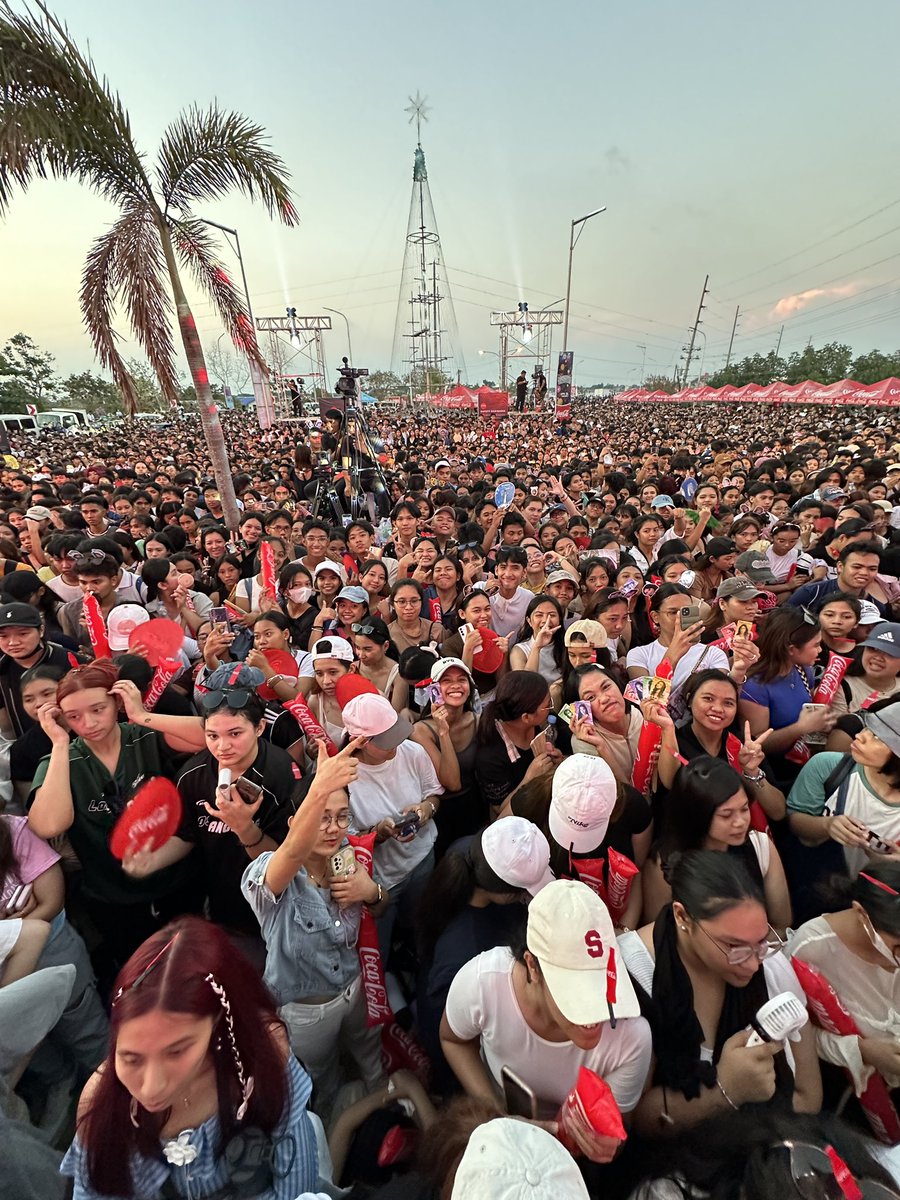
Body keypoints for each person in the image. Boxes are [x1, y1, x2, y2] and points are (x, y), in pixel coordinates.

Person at [61, 916, 319, 1199]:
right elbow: (96, 1190)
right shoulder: (102, 1102)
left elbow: (296, 1182)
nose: (152, 1087)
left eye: (177, 1051)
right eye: (131, 1058)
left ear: (218, 1020)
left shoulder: (260, 1056)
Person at [618, 851, 821, 1138]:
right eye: (733, 947)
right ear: (682, 917)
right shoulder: (632, 978)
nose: (753, 963)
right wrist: (726, 1090)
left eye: (762, 942)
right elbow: (633, 1121)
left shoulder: (771, 965)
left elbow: (809, 1095)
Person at [241, 739, 386, 1121]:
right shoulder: (273, 875)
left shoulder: (350, 856)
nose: (333, 828)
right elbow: (289, 853)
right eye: (322, 816)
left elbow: (377, 909)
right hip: (307, 1012)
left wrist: (371, 892)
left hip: (356, 988)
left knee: (369, 1049)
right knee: (320, 1076)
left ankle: (380, 1099)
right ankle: (335, 1126)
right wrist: (319, 787)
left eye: (341, 816)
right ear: (296, 822)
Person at [28, 660, 204, 970]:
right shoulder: (65, 760)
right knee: (138, 974)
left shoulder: (144, 735)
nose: (89, 723)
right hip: (113, 897)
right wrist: (58, 743)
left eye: (98, 709)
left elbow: (213, 738)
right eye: (74, 716)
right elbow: (49, 824)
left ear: (116, 702)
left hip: (178, 880)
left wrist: (141, 714)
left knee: (193, 965)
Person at [440, 879, 652, 1128]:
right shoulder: (481, 983)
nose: (595, 1010)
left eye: (602, 978)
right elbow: (453, 1040)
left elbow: (615, 1136)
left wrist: (582, 1141)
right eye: (575, 988)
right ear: (532, 966)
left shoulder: (633, 1039)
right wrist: (498, 1118)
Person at [415, 818, 551, 1086]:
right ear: (501, 891)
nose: (528, 897)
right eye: (524, 892)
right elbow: (448, 1028)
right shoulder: (466, 952)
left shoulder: (467, 853)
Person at [787, 862, 900, 1129]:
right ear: (861, 914)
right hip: (859, 1102)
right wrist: (862, 1050)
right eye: (898, 947)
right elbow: (796, 1039)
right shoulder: (811, 949)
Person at [340, 693, 443, 954]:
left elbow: (433, 793)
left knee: (418, 925)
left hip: (421, 862)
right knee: (379, 946)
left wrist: (426, 809)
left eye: (396, 734)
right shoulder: (342, 777)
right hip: (380, 880)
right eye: (386, 741)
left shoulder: (412, 752)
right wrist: (377, 834)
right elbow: (342, 841)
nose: (395, 745)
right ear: (359, 741)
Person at [642, 757, 791, 930]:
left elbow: (782, 925)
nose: (740, 822)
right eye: (726, 815)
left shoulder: (761, 847)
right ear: (697, 814)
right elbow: (658, 936)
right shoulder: (664, 865)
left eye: (744, 809)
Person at [739, 607, 837, 788]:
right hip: (774, 774)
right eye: (815, 645)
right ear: (791, 649)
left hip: (803, 759)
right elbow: (757, 743)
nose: (820, 650)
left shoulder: (803, 669)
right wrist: (801, 727)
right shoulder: (754, 685)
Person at [410, 656, 482, 854]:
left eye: (461, 679)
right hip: (441, 814)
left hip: (478, 808)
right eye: (446, 681)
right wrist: (444, 732)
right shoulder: (421, 730)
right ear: (434, 690)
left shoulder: (478, 721)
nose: (455, 686)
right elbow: (452, 783)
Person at [474, 670, 556, 813]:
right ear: (526, 718)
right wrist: (530, 778)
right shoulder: (490, 756)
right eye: (548, 705)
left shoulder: (543, 723)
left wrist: (559, 760)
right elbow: (499, 809)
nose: (551, 708)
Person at [626, 584, 730, 693]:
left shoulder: (713, 654)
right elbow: (649, 698)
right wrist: (672, 655)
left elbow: (717, 695)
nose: (680, 618)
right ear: (655, 617)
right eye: (673, 612)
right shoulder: (638, 655)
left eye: (686, 612)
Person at [832, 620, 900, 715]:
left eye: (890, 653)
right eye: (873, 648)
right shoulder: (840, 687)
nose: (878, 657)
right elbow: (835, 729)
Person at [509, 593, 565, 682]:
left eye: (552, 615)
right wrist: (537, 647)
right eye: (539, 615)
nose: (546, 620)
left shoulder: (566, 645)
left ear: (560, 620)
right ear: (529, 621)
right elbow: (524, 684)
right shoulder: (519, 650)